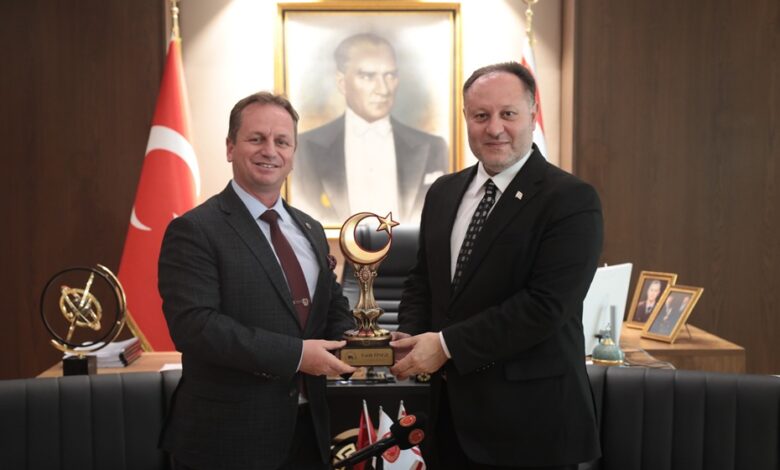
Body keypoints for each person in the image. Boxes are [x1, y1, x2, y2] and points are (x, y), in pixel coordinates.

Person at [389, 62, 603, 469]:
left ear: (532, 114)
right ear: (466, 118)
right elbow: (423, 280)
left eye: (508, 114)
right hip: (449, 419)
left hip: (530, 425)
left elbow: (544, 307)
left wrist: (445, 346)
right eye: (481, 115)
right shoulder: (443, 192)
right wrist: (413, 335)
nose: (494, 128)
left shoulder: (571, 199)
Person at [157, 92, 356, 470]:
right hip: (227, 439)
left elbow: (332, 307)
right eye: (256, 138)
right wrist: (297, 356)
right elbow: (195, 327)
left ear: (292, 153)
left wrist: (363, 343)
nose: (270, 150)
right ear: (230, 147)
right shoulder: (195, 229)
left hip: (308, 431)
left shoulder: (310, 229)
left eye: (282, 141)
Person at [292, 32, 449, 225]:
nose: (383, 89)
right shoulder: (304, 149)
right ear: (342, 83)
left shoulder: (434, 147)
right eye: (367, 76)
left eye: (390, 75)